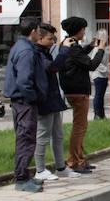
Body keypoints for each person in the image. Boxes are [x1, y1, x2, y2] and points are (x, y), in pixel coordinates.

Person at [4, 20, 48, 192]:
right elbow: (24, 80)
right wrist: (32, 98)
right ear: (33, 31)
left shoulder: (19, 46)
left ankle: (24, 175)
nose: (40, 34)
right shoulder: (26, 51)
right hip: (24, 101)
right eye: (38, 31)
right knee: (26, 139)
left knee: (24, 138)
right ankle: (22, 179)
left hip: (21, 100)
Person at [32, 23, 79, 181]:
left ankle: (60, 166)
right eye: (50, 38)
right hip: (44, 99)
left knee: (58, 135)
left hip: (53, 97)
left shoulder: (45, 51)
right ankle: (40, 169)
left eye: (54, 39)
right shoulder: (37, 53)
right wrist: (63, 49)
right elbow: (53, 67)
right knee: (43, 135)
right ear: (39, 38)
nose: (53, 42)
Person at [59, 17, 105, 173]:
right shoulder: (72, 47)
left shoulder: (70, 44)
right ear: (78, 30)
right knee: (79, 127)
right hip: (78, 90)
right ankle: (74, 161)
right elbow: (91, 65)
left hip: (74, 89)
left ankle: (80, 158)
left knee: (81, 126)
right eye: (83, 29)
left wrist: (90, 47)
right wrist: (101, 49)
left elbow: (78, 58)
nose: (85, 32)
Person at [90, 29, 109, 119]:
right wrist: (107, 69)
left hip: (104, 75)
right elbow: (96, 62)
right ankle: (97, 114)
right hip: (98, 74)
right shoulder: (96, 49)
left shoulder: (105, 48)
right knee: (98, 94)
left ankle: (101, 113)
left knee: (101, 95)